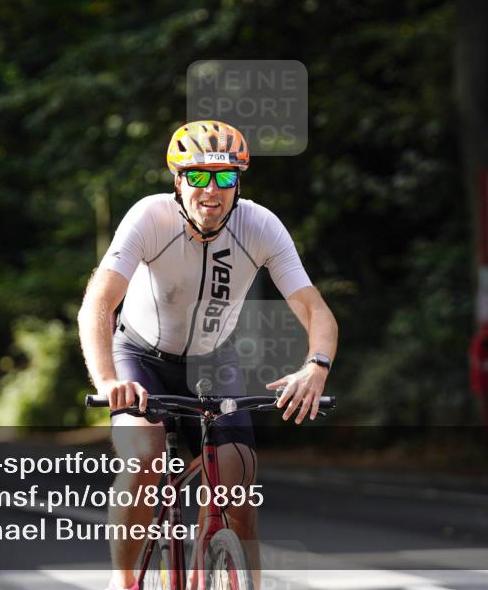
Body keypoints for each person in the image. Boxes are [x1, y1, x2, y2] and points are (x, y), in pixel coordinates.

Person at [78, 120, 338, 590]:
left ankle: (223, 571)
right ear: (178, 181)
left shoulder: (259, 226)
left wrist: (316, 366)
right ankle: (124, 582)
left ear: (239, 183)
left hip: (213, 361)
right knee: (145, 457)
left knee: (239, 485)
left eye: (224, 177)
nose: (211, 189)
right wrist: (106, 381)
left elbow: (315, 309)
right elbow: (99, 303)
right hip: (140, 355)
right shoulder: (149, 217)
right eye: (197, 176)